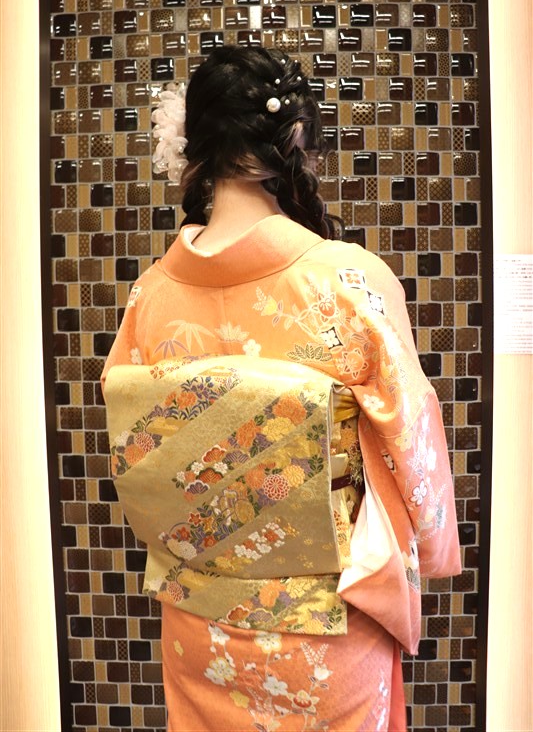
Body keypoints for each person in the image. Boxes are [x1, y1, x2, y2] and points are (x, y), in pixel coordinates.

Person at [102, 46, 461, 731]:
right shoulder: (346, 281)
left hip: (198, 625)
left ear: (193, 145)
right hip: (325, 628)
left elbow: (140, 461)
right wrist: (432, 545)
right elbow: (413, 448)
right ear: (298, 141)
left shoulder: (149, 296)